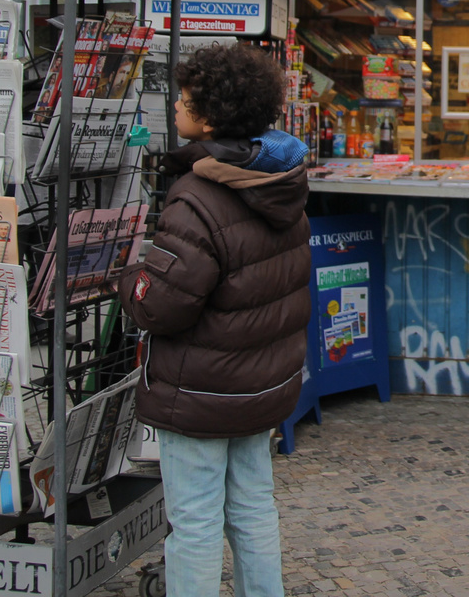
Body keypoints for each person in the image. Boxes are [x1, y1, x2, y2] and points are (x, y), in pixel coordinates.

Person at [117, 44, 312, 597]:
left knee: (196, 520)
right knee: (253, 505)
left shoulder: (197, 196)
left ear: (208, 116)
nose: (175, 105)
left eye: (184, 98)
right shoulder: (282, 185)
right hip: (260, 383)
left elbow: (165, 304)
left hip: (200, 389)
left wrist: (128, 278)